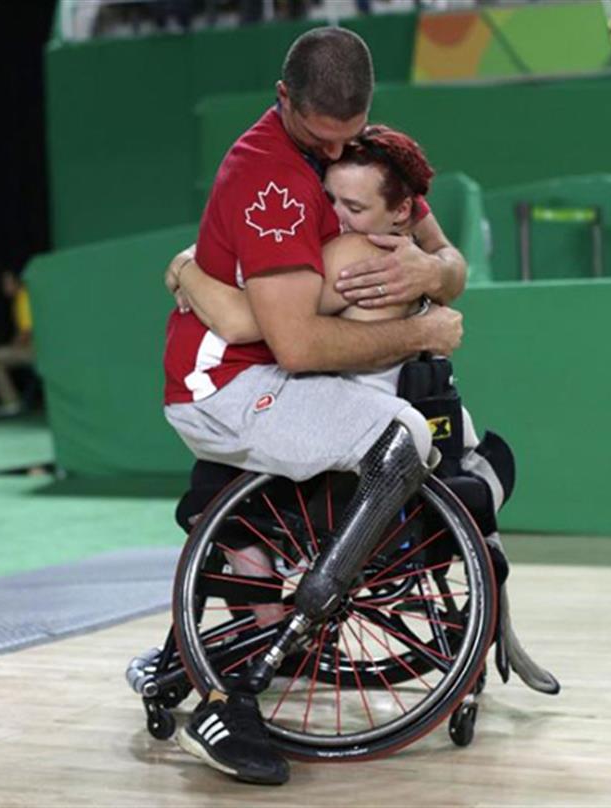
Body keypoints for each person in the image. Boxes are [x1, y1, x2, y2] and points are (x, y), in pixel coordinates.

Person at [162, 27, 466, 786]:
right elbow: (292, 344)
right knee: (400, 434)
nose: (334, 155)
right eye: (319, 137)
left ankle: (269, 607)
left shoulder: (366, 158)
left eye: (348, 135)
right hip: (229, 386)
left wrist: (433, 273)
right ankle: (237, 688)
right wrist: (424, 328)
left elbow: (451, 261)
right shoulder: (265, 179)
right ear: (283, 98)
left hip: (283, 369)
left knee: (442, 426)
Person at [169, 122, 558, 693]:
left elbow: (248, 324)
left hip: (361, 450)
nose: (335, 216)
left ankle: (267, 634)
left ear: (400, 211)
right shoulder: (387, 214)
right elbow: (448, 262)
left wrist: (187, 267)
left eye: (351, 207)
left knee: (215, 488)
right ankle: (263, 633)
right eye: (330, 200)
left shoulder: (356, 254)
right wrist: (437, 274)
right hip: (429, 424)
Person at [0, 272, 34, 417]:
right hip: (29, 347)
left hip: (34, 350)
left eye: (7, 284)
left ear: (16, 283)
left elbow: (27, 332)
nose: (4, 288)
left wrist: (14, 346)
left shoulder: (24, 298)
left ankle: (11, 403)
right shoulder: (18, 299)